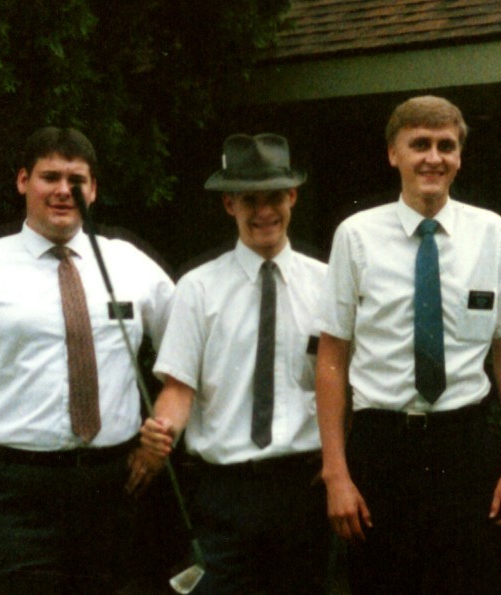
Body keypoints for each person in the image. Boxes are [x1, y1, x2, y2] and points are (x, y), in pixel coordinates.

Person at [0, 127, 174, 593]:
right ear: (22, 181)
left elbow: (189, 353)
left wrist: (165, 431)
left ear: (93, 189)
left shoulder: (130, 265)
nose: (62, 190)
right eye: (49, 176)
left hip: (111, 489)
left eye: (76, 178)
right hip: (12, 494)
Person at [316, 95, 501, 593]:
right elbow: (332, 357)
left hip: (464, 446)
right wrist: (336, 473)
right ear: (393, 154)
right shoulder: (356, 236)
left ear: (459, 156)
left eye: (446, 146)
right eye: (420, 145)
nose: (434, 157)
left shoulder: (491, 233)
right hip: (381, 446)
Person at [140, 133, 329, 594]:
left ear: (293, 196)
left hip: (304, 487)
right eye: (249, 199)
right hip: (223, 493)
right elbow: (179, 389)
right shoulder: (197, 288)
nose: (264, 211)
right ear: (229, 204)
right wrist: (158, 434)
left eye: (274, 197)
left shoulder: (328, 285)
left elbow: (337, 385)